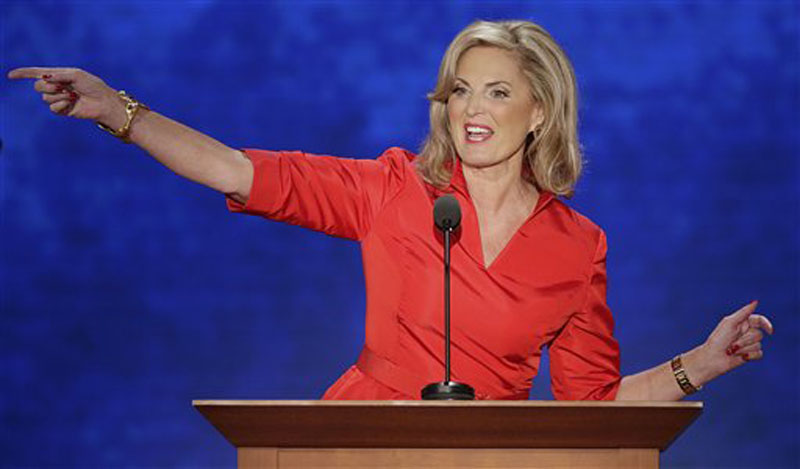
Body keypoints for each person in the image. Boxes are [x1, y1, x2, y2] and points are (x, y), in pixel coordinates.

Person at [8, 20, 773, 401]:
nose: (471, 108)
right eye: (461, 89)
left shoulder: (579, 246)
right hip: (358, 440)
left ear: (541, 111)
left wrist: (704, 361)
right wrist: (118, 111)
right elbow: (235, 168)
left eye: (497, 91)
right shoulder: (395, 187)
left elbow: (593, 406)